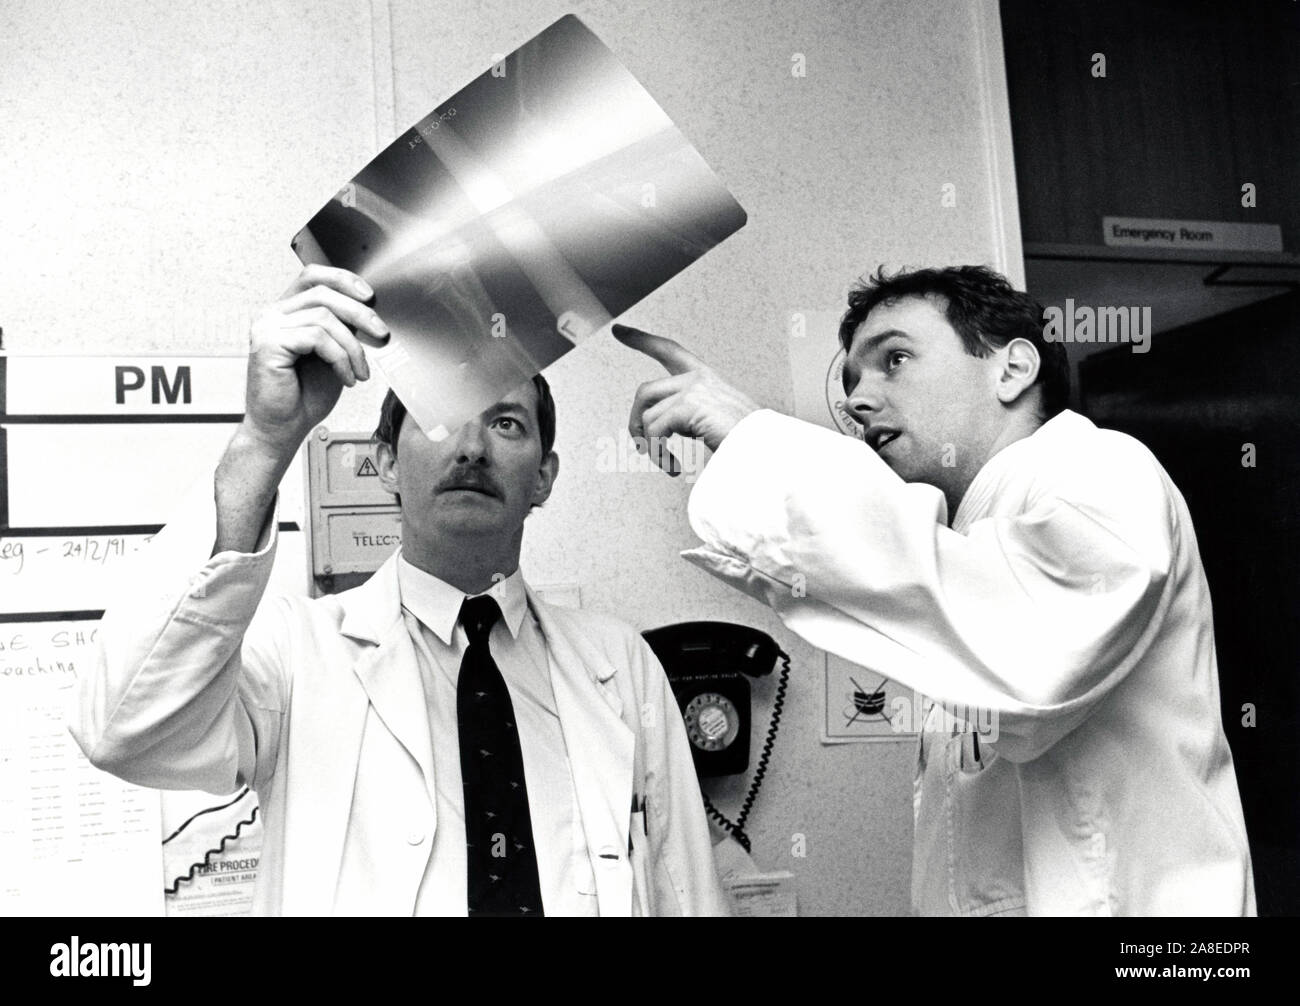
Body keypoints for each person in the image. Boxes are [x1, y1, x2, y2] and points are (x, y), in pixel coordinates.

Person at [71, 264, 728, 917]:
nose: (470, 446)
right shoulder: (295, 653)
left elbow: (687, 892)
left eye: (506, 424)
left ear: (544, 479)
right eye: (441, 420)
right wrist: (266, 440)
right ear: (384, 461)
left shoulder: (623, 665)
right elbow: (123, 729)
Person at [614, 264, 1255, 916]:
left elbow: (1033, 662)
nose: (859, 402)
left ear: (1011, 369)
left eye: (894, 359)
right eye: (851, 382)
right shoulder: (966, 553)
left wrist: (752, 432)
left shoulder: (1103, 470)